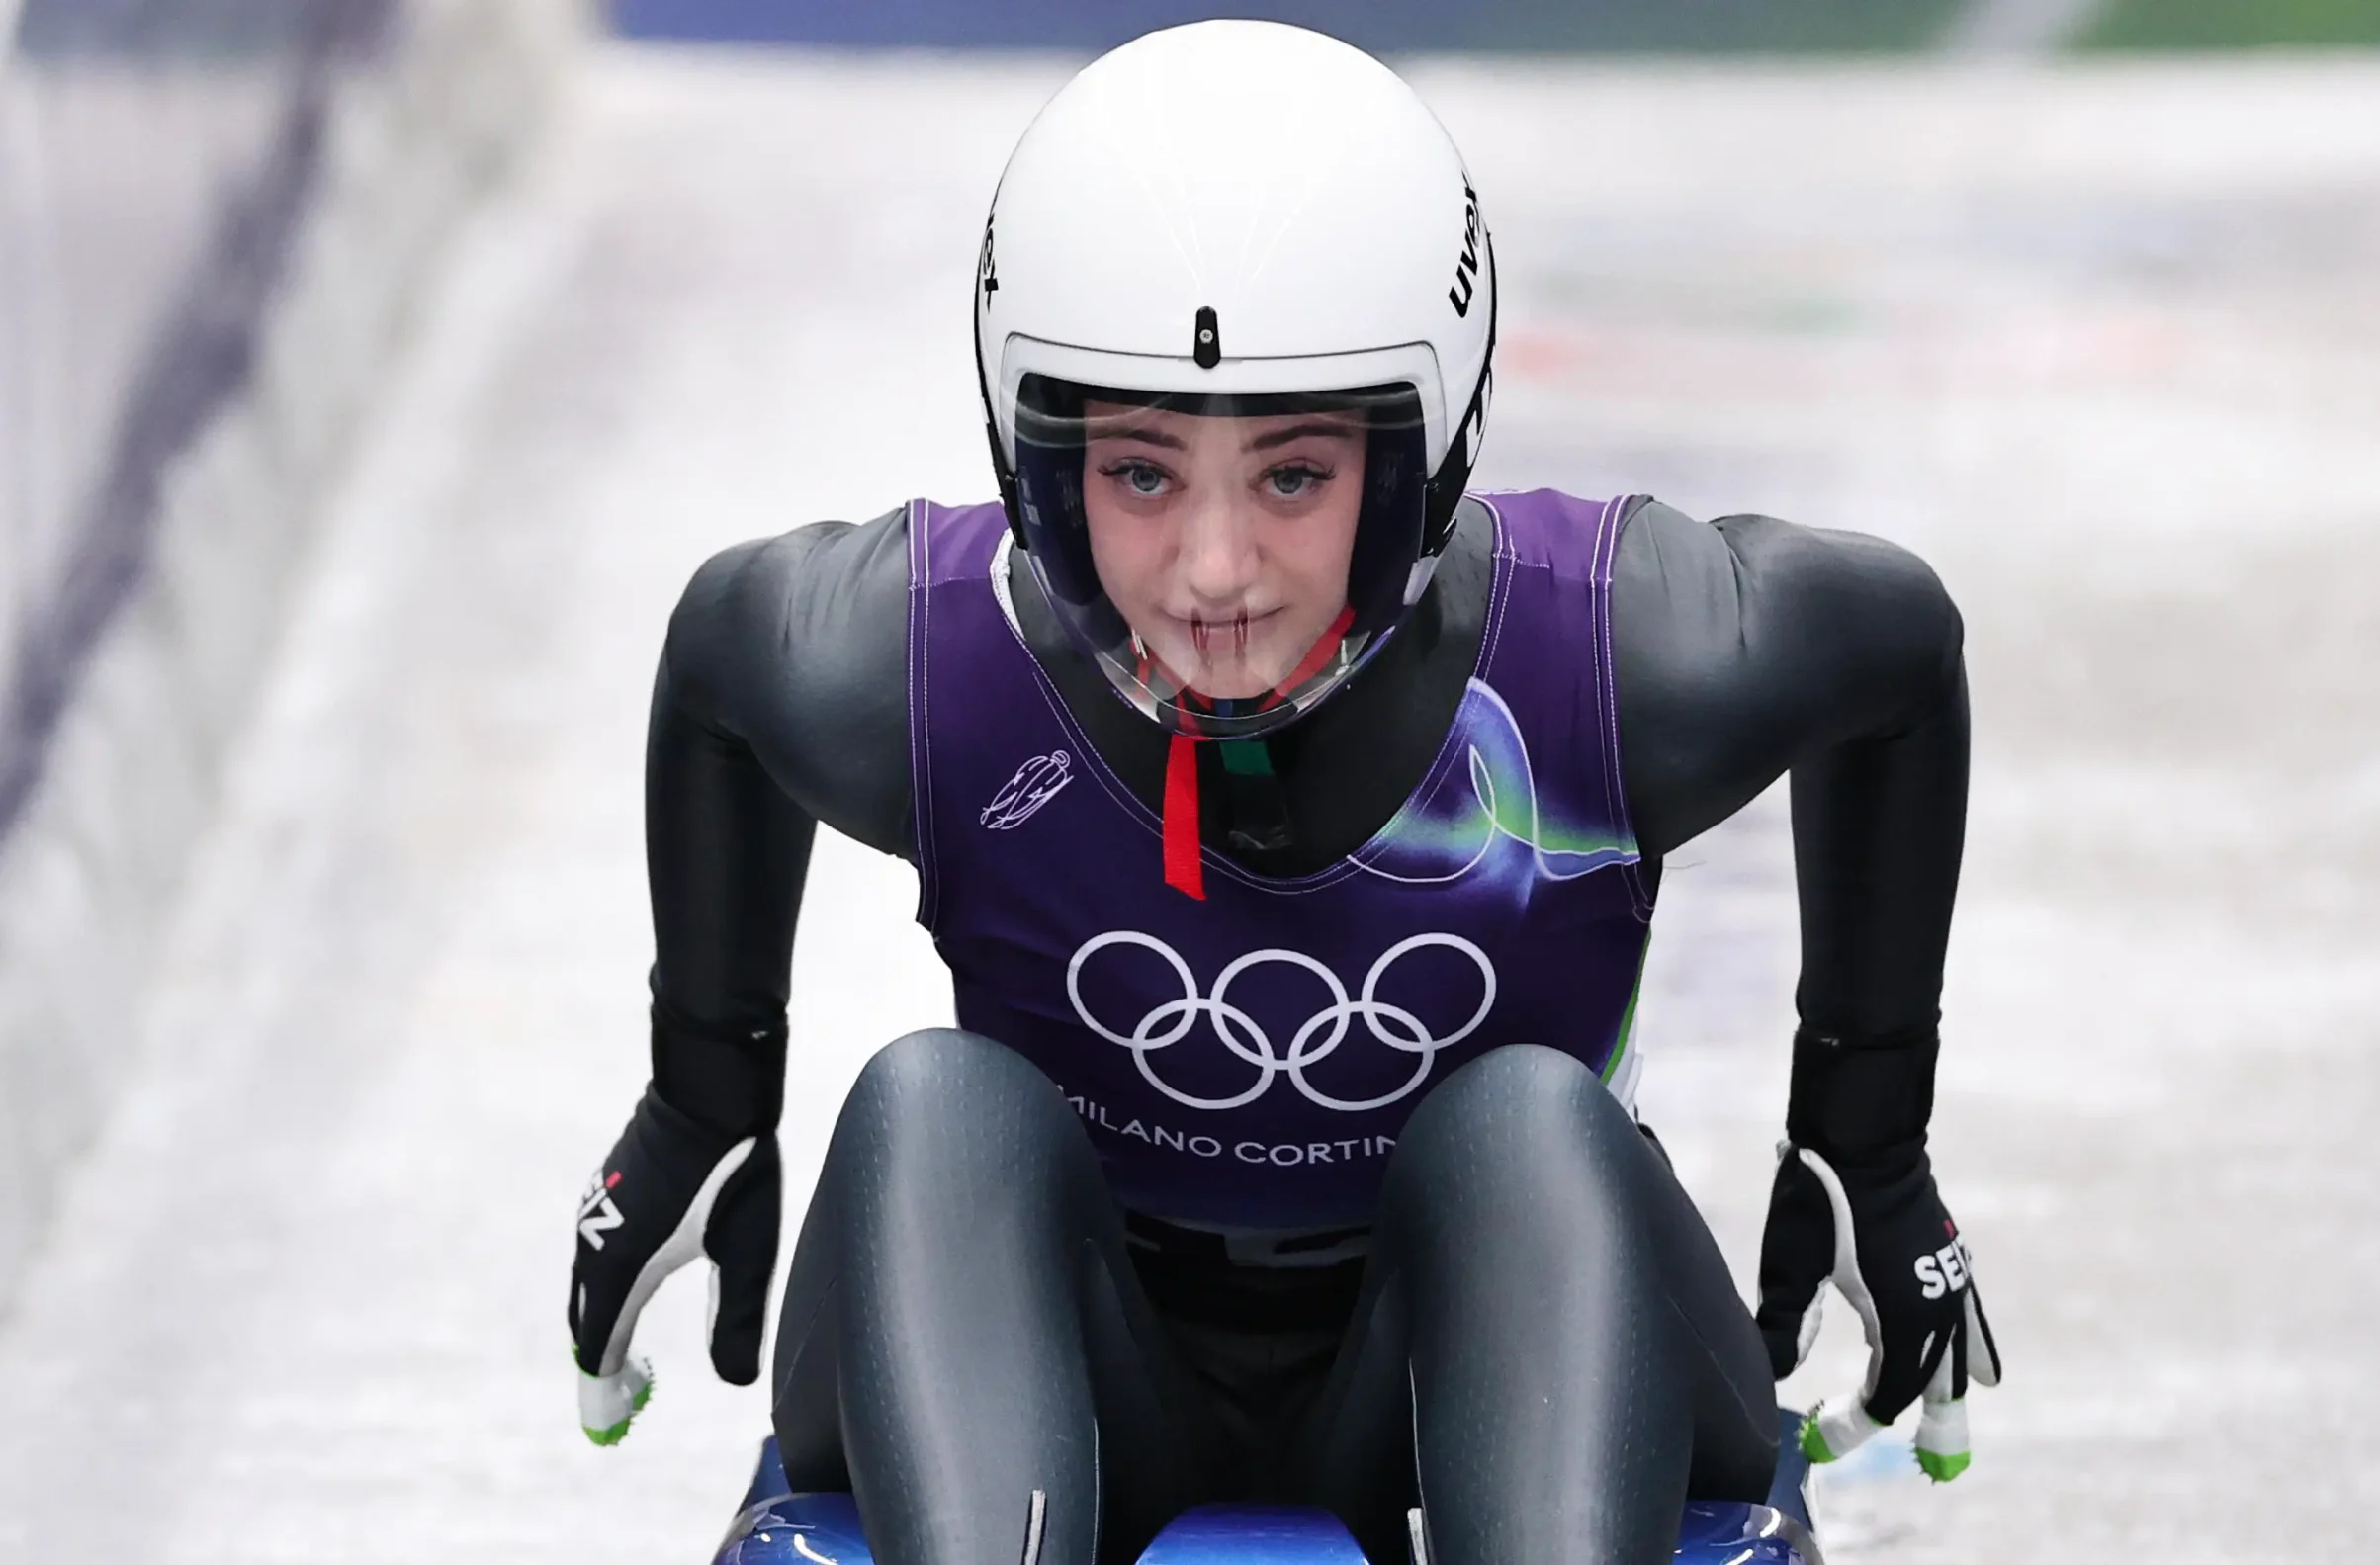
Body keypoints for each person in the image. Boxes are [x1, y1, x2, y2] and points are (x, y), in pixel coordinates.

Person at [567, 21, 1997, 1565]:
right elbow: (718, 658)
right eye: (1138, 474)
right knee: (934, 1102)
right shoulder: (928, 658)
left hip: (1500, 1354)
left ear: (1427, 449)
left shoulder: (1613, 651)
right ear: (1030, 457)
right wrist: (706, 1093)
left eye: (1295, 477)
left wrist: (1868, 1124)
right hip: (1074, 1369)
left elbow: (1901, 654)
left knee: (1522, 1123)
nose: (1215, 573)